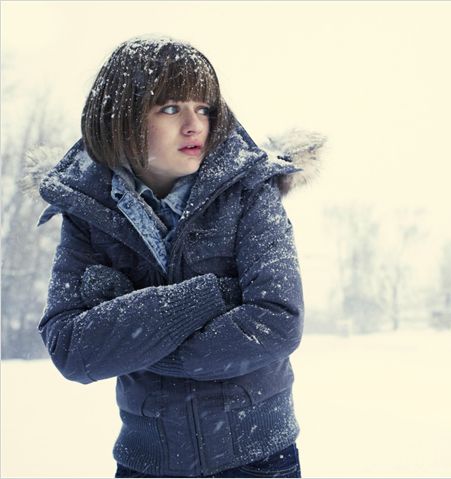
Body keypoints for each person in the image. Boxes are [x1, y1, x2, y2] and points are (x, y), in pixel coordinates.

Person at [36, 35, 317, 478]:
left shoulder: (250, 192)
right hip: (146, 463)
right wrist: (207, 297)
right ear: (121, 119)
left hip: (259, 459)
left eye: (203, 108)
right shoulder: (88, 211)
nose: (194, 125)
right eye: (170, 108)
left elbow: (276, 321)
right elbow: (71, 348)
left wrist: (134, 337)